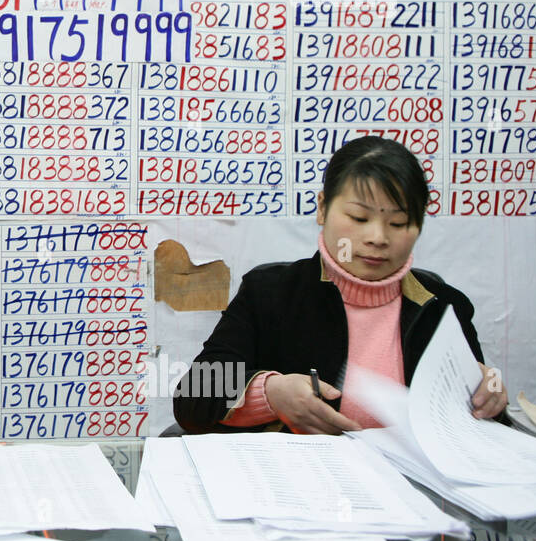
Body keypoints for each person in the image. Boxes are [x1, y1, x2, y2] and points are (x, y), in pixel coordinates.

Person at [173, 136, 507, 435]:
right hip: (297, 488)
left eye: (398, 222)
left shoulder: (442, 306)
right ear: (322, 208)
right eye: (359, 219)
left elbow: (483, 417)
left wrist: (489, 393)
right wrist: (271, 394)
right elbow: (193, 397)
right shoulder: (270, 293)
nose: (377, 238)